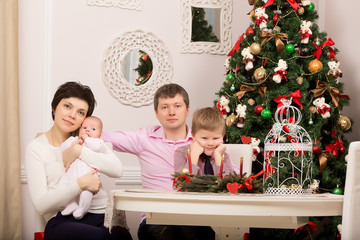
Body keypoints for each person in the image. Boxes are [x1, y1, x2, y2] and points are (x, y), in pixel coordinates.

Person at [102, 83, 215, 240]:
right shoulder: (144, 138)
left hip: (192, 218)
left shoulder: (203, 141)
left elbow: (232, 174)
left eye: (177, 106)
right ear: (156, 112)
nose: (171, 112)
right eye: (164, 107)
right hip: (154, 219)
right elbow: (102, 137)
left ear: (187, 110)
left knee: (193, 232)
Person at [25, 81, 132, 240]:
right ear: (54, 107)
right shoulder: (37, 147)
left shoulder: (89, 142)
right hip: (61, 220)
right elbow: (41, 205)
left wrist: (79, 151)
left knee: (121, 235)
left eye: (81, 112)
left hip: (98, 215)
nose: (73, 115)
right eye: (67, 106)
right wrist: (80, 184)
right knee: (98, 237)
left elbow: (117, 169)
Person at [58, 116, 105, 220]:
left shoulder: (98, 142)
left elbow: (97, 148)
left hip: (88, 173)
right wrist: (73, 144)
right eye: (84, 127)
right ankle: (70, 205)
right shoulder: (74, 139)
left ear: (99, 135)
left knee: (86, 193)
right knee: (62, 186)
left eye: (93, 129)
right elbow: (63, 147)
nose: (87, 130)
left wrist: (87, 139)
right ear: (79, 130)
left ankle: (82, 208)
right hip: (73, 172)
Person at [174, 107, 234, 176]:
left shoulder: (222, 155)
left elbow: (229, 184)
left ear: (222, 137)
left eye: (215, 138)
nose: (210, 143)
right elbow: (179, 186)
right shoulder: (181, 153)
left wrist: (218, 157)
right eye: (204, 138)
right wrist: (194, 156)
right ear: (193, 135)